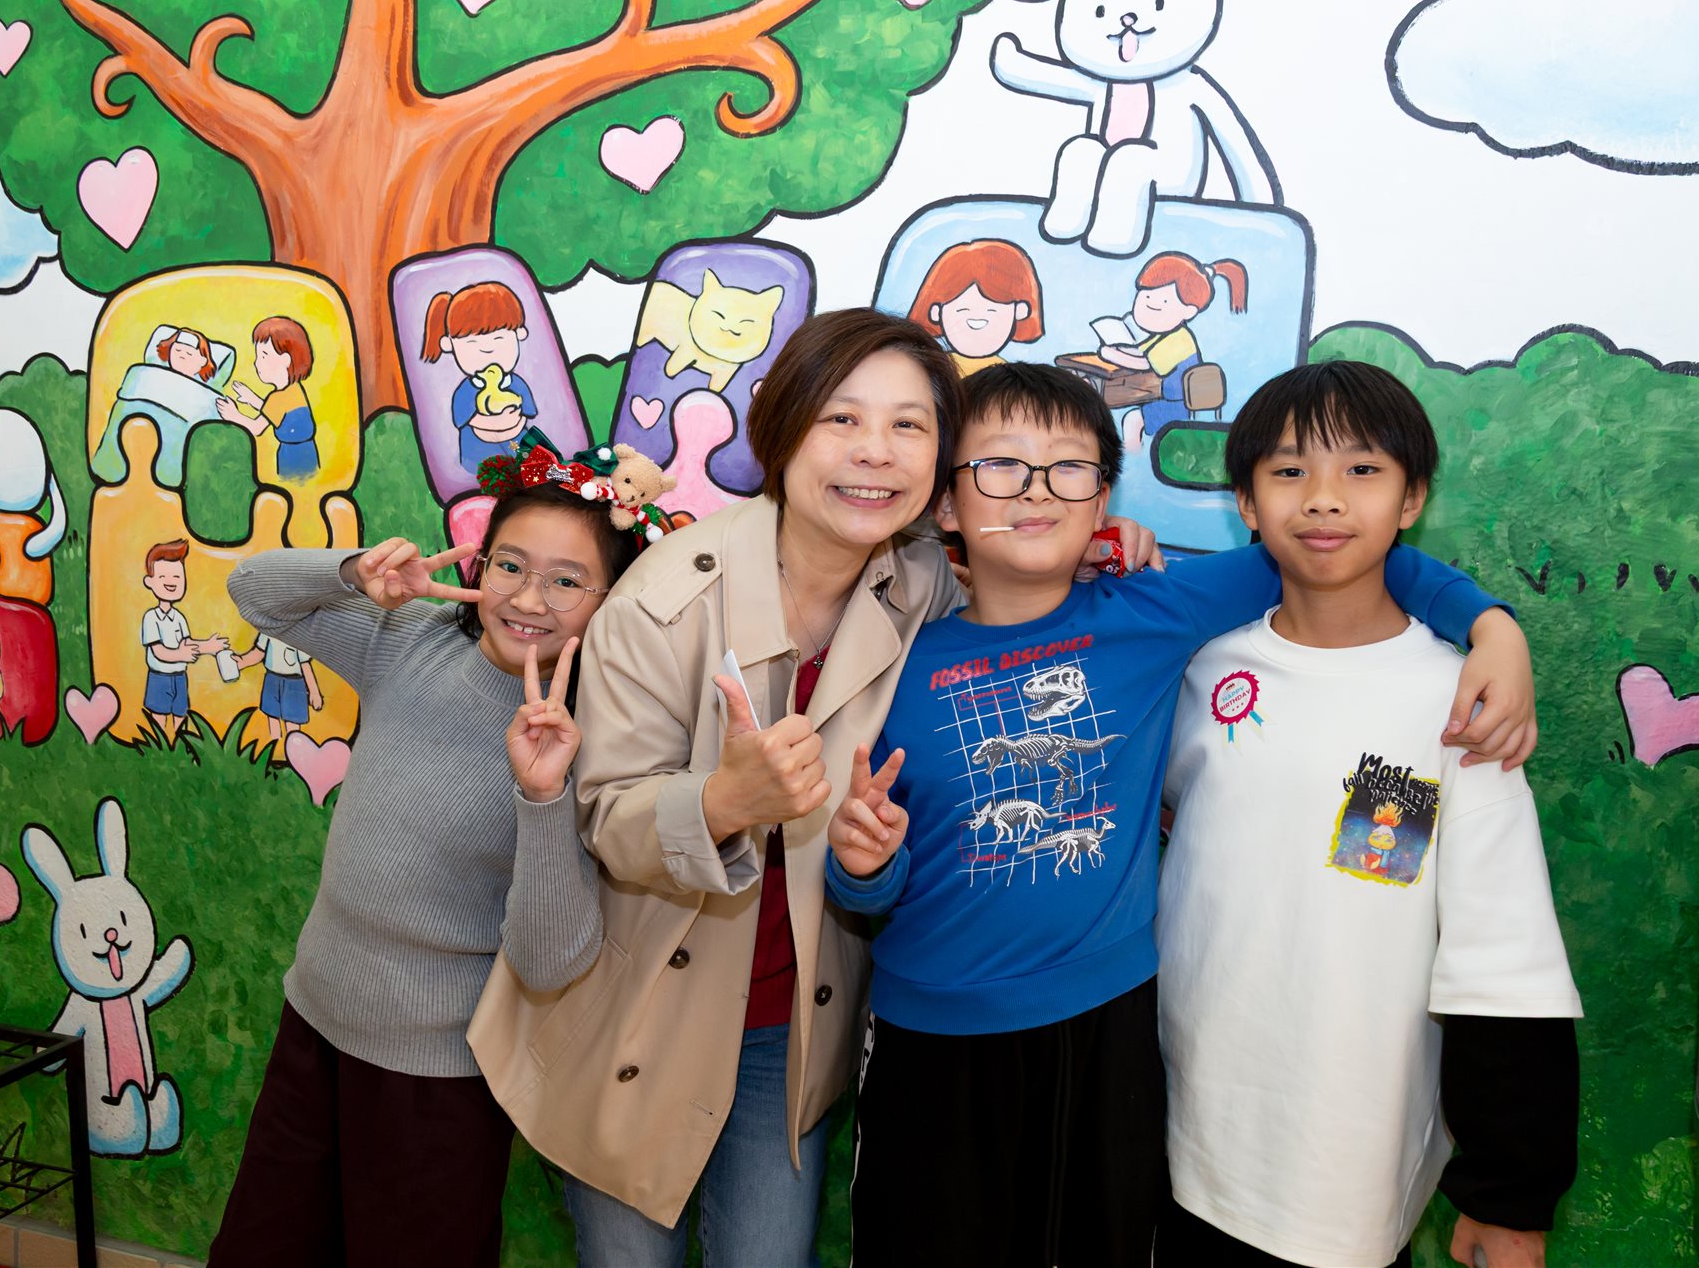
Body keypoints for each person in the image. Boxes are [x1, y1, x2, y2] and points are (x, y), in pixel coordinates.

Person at [467, 311, 1153, 1265]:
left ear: (940, 466)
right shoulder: (662, 601)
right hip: (634, 1019)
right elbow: (605, 820)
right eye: (842, 418)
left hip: (790, 1032)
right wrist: (724, 801)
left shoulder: (923, 582)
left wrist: (1102, 545)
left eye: (909, 425)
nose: (875, 451)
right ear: (783, 432)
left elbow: (1014, 589)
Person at [823, 361, 1540, 1266]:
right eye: (1000, 466)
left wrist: (1492, 623)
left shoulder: (1158, 614)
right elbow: (868, 871)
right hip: (933, 1038)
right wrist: (862, 864)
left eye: (1067, 469)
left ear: (1102, 499)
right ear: (946, 504)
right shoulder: (895, 662)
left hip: (1110, 1029)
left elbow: (1339, 543)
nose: (1036, 489)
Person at [1155, 360, 1581, 1268]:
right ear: (1246, 502)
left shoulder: (1462, 702)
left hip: (1346, 1166)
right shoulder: (1201, 670)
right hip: (1188, 1136)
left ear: (1412, 497)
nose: (1323, 497)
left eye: (1362, 469)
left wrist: (1509, 1198)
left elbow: (1505, 960)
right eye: (1289, 470)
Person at [210, 445, 650, 1265]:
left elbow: (551, 961)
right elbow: (252, 590)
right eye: (510, 564)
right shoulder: (410, 639)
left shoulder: (598, 735)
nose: (528, 598)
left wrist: (543, 795)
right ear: (478, 564)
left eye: (566, 580)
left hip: (439, 1079)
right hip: (314, 1024)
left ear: (612, 600)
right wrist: (356, 572)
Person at [1097, 250, 1246, 444]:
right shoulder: (1162, 336)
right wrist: (1120, 348)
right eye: (1146, 297)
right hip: (1161, 397)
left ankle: (1133, 457)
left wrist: (1110, 354)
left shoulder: (1179, 340)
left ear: (1189, 311)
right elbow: (1141, 353)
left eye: (1162, 303)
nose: (1149, 305)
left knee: (1132, 421)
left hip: (1175, 404)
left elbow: (1144, 363)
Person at [423, 282, 539, 471]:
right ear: (449, 345)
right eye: (472, 342)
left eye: (499, 338)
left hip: (519, 451)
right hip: (479, 458)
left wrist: (514, 426)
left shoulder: (516, 384)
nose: (487, 348)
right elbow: (466, 420)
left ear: (519, 334)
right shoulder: (466, 391)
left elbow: (526, 414)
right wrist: (498, 425)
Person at [907, 239, 1046, 378]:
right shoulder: (935, 370)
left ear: (1020, 311)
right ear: (936, 312)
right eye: (962, 310)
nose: (977, 318)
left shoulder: (1006, 376)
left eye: (992, 310)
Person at [140, 540, 227, 740]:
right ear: (150, 582)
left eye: (178, 576)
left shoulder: (178, 618)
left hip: (180, 677)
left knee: (181, 715)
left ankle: (180, 747)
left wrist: (207, 647)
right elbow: (158, 651)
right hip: (159, 677)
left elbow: (186, 644)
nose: (172, 581)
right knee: (158, 719)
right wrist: (180, 654)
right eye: (163, 577)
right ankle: (160, 751)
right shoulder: (151, 618)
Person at [217, 317, 321, 481]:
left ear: (286, 360)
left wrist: (233, 415)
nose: (257, 363)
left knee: (294, 486)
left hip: (293, 460)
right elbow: (278, 414)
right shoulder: (294, 389)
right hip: (307, 453)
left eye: (264, 356)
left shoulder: (278, 398)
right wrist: (252, 399)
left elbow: (256, 427)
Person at [230, 631, 324, 742]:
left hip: (294, 683)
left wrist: (314, 692)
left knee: (292, 722)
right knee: (272, 717)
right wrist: (242, 662)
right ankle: (274, 744)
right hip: (271, 679)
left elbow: (305, 664)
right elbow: (259, 652)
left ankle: (294, 748)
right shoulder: (268, 630)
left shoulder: (299, 634)